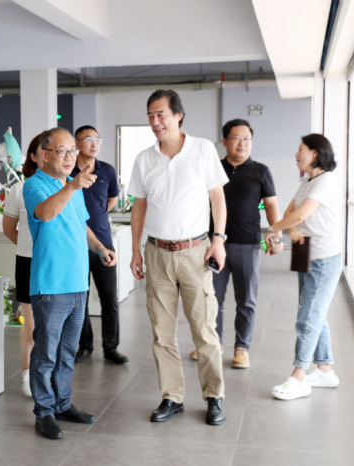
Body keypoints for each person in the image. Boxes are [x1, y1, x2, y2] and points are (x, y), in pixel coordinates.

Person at [128, 89, 227, 426]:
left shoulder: (202, 149)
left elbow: (217, 198)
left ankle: (214, 397)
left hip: (195, 252)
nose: (155, 121)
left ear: (178, 115)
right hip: (157, 253)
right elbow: (139, 206)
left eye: (161, 114)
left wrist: (218, 239)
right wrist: (135, 250)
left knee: (204, 329)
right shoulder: (144, 159)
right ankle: (172, 396)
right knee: (162, 333)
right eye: (150, 115)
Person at [23, 127, 117, 439]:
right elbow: (46, 213)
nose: (69, 157)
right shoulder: (34, 185)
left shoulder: (72, 186)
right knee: (46, 354)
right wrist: (73, 185)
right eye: (62, 151)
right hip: (51, 285)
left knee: (66, 353)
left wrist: (100, 248)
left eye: (71, 151)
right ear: (44, 155)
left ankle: (62, 404)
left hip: (78, 283)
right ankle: (44, 412)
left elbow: (81, 224)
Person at [190, 119, 283, 368]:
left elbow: (271, 205)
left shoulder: (261, 171)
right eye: (236, 138)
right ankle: (214, 343)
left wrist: (276, 234)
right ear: (224, 141)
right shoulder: (213, 169)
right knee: (212, 299)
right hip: (213, 244)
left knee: (246, 300)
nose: (242, 143)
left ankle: (242, 348)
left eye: (247, 139)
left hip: (247, 244)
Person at [265, 133, 343, 401]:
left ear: (315, 153)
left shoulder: (326, 181)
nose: (296, 154)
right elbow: (291, 211)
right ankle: (324, 369)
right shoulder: (308, 179)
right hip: (307, 253)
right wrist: (291, 229)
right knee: (314, 313)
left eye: (301, 149)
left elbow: (299, 214)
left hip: (323, 258)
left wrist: (274, 229)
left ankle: (299, 376)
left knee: (308, 316)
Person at [71, 125, 128, 365]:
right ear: (76, 143)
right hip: (76, 244)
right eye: (88, 139)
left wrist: (98, 215)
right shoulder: (69, 171)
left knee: (109, 298)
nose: (94, 143)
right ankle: (85, 345)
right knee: (80, 298)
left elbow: (112, 199)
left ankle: (111, 348)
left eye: (97, 139)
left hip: (104, 242)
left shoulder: (108, 170)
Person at [2, 132, 44, 397]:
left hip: (55, 265)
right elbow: (9, 229)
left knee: (55, 325)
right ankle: (28, 372)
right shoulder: (19, 189)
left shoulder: (65, 187)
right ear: (33, 156)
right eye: (45, 151)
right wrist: (30, 247)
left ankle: (51, 374)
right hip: (28, 262)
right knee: (31, 325)